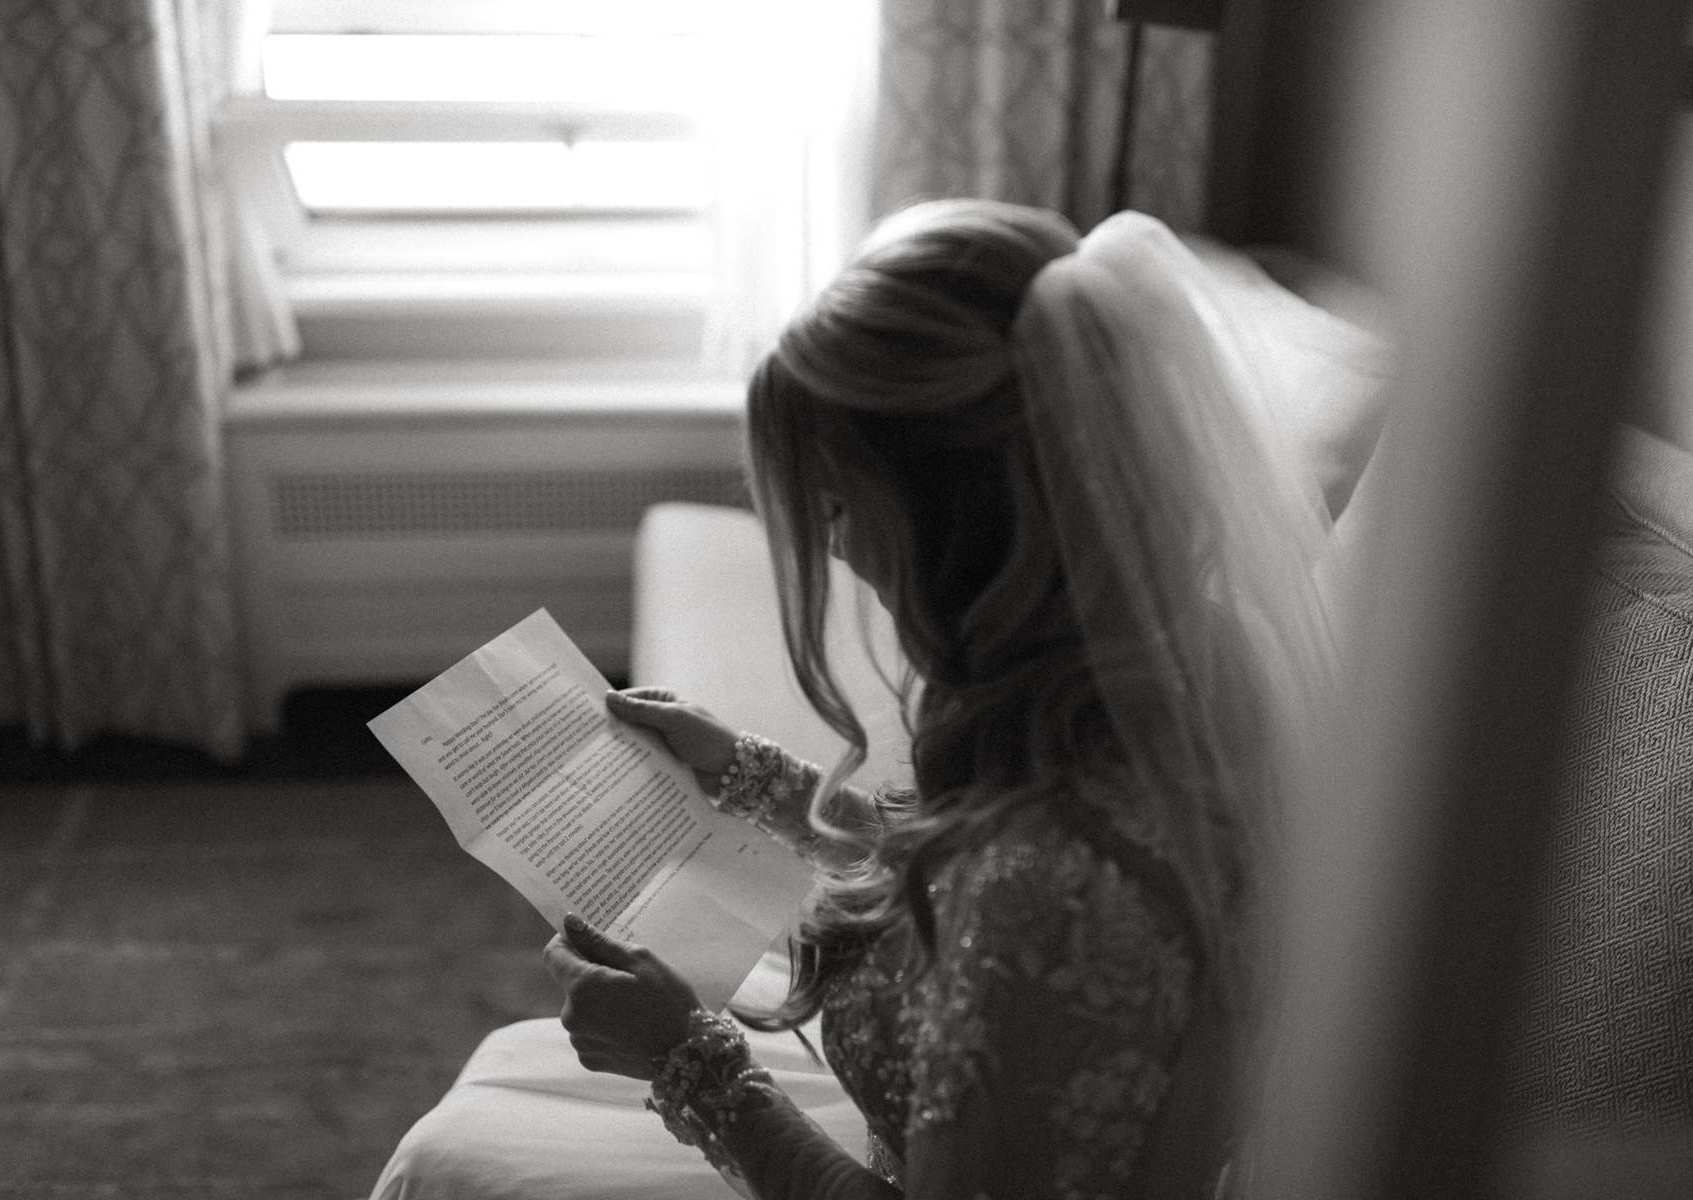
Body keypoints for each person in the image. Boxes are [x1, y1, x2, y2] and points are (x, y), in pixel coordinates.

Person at [372, 200, 1388, 1200]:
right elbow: (973, 874)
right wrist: (754, 779)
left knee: (445, 1165)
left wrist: (687, 1061)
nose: (838, 543)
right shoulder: (1179, 656)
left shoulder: (1055, 891)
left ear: (964, 515)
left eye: (845, 501)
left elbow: (1013, 887)